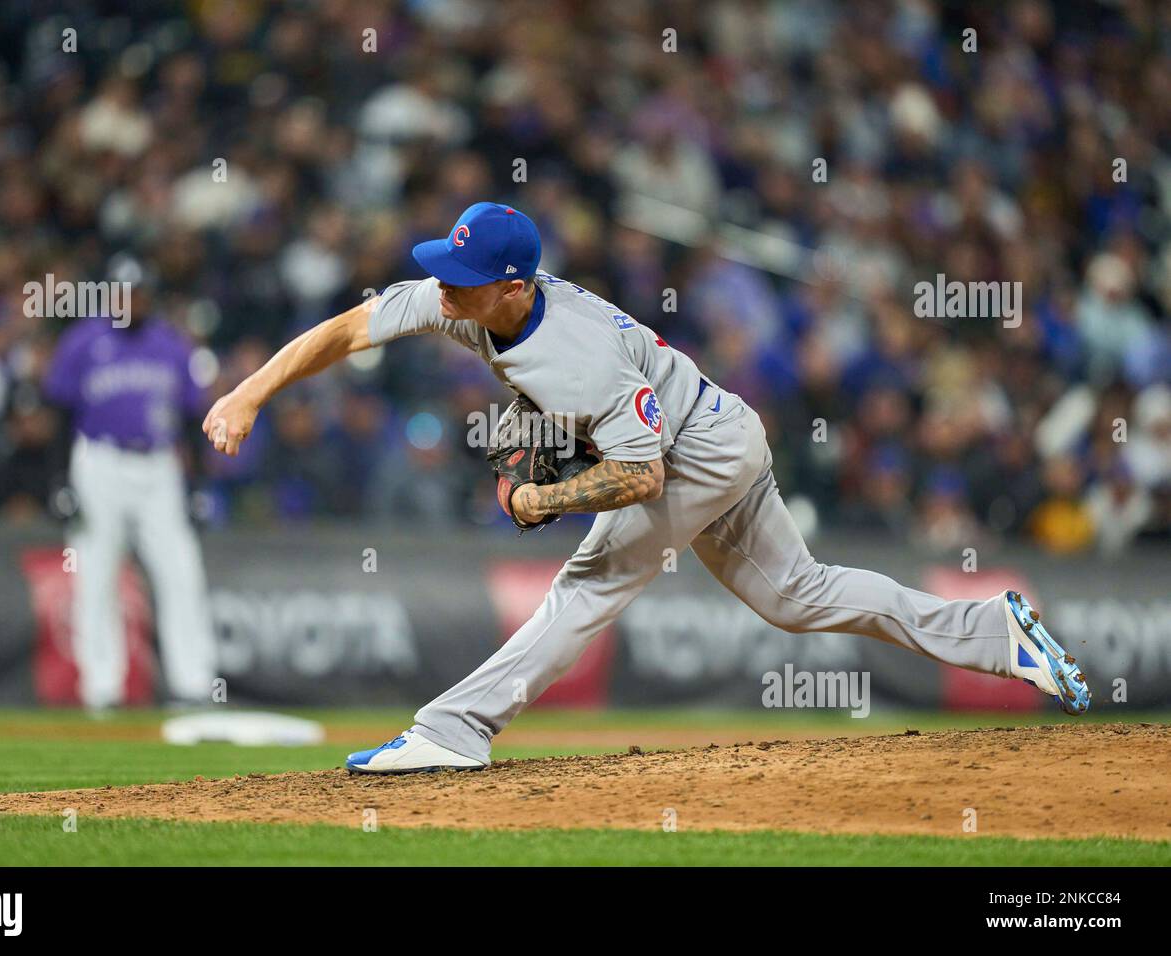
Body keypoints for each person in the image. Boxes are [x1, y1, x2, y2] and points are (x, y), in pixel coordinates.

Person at [204, 203, 1091, 774]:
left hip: (695, 451)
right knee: (800, 595)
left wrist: (538, 502)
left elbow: (643, 473)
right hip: (719, 427)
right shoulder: (463, 297)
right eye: (444, 266)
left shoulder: (574, 352)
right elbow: (349, 327)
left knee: (590, 583)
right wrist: (249, 392)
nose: (443, 284)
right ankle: (995, 632)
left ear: (513, 287)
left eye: (462, 276)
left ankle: (453, 730)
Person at [43, 256, 217, 711]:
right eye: (123, 292)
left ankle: (193, 683)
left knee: (181, 571)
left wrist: (196, 485)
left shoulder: (171, 345)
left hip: (159, 464)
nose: (131, 301)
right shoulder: (84, 341)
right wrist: (61, 479)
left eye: (138, 292)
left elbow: (189, 419)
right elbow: (60, 415)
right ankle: (102, 688)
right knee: (96, 572)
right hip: (98, 460)